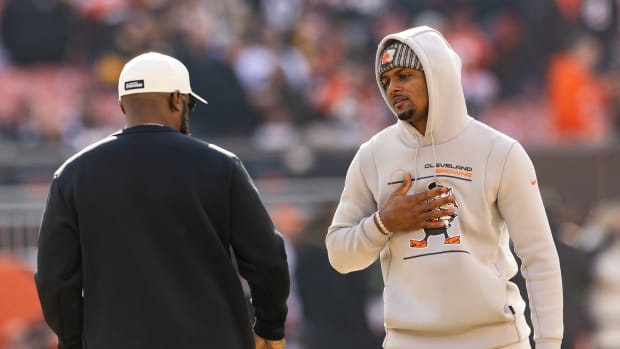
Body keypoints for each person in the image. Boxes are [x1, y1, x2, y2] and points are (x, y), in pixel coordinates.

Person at [325, 26, 563, 349]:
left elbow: (539, 257)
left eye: (404, 75)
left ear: (438, 75)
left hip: (497, 341)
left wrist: (549, 343)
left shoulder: (500, 152)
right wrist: (384, 223)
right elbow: (339, 254)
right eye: (386, 80)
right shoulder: (372, 156)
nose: (393, 87)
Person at [34, 52, 289, 349]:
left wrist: (75, 340)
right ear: (176, 100)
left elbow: (55, 279)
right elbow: (267, 259)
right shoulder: (221, 165)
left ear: (121, 105)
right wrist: (270, 327)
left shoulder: (72, 175)